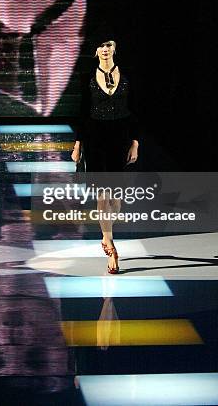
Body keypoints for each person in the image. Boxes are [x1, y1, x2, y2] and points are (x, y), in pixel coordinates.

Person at [71, 38, 139, 273]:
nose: (105, 49)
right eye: (101, 46)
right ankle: (109, 243)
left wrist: (135, 142)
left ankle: (107, 234)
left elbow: (135, 109)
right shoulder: (87, 78)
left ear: (115, 48)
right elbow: (82, 113)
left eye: (109, 45)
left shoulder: (128, 74)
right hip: (95, 140)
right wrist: (78, 145)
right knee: (103, 195)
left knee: (116, 201)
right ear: (95, 50)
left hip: (119, 139)